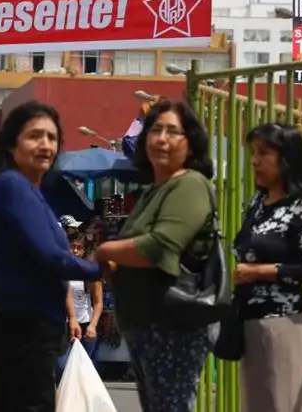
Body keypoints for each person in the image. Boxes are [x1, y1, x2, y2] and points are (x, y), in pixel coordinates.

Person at [94, 99, 216, 412]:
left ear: (190, 144)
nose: (161, 138)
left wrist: (107, 250)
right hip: (143, 325)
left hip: (173, 324)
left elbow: (161, 247)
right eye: (155, 130)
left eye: (172, 131)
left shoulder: (190, 185)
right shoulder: (150, 191)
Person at [0, 100, 102, 412]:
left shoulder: (29, 191)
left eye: (51, 137)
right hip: (20, 325)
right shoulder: (13, 185)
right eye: (35, 135)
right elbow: (49, 257)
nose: (45, 144)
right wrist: (100, 268)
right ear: (11, 143)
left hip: (29, 324)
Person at [233, 123, 302, 412]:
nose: (255, 161)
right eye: (253, 153)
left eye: (264, 153)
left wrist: (261, 271)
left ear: (286, 158)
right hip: (250, 321)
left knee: (282, 405)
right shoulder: (257, 204)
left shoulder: (301, 206)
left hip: (283, 322)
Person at [55, 236, 104, 378]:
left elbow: (98, 302)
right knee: (62, 367)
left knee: (82, 368)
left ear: (84, 251)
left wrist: (93, 325)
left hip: (85, 324)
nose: (75, 251)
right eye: (73, 247)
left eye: (79, 248)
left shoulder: (89, 272)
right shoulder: (62, 270)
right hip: (64, 324)